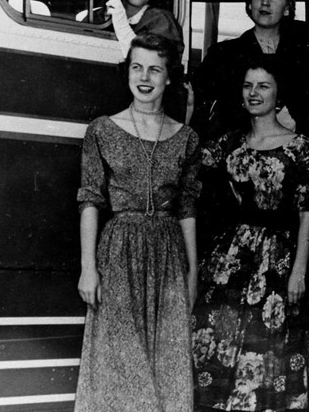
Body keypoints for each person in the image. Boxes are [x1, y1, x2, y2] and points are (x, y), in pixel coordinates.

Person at [74, 33, 200, 412]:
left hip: (168, 259)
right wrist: (87, 268)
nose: (144, 77)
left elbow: (187, 210)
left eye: (155, 69)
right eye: (137, 67)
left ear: (168, 77)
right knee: (121, 368)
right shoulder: (102, 129)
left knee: (167, 367)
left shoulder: (186, 138)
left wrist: (192, 273)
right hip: (118, 255)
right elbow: (90, 201)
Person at [191, 56, 309, 412]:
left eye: (263, 86)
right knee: (219, 342)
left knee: (266, 350)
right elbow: (186, 164)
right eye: (248, 86)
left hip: (277, 262)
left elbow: (308, 211)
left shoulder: (299, 148)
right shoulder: (229, 142)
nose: (254, 93)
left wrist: (298, 272)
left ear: (278, 96)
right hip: (230, 259)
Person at [190, 0, 309, 140]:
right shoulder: (222, 55)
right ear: (250, 3)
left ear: (287, 8)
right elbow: (198, 108)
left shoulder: (303, 59)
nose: (265, 1)